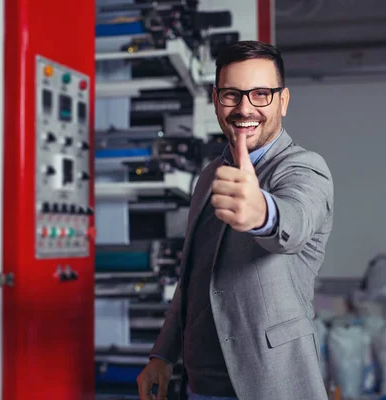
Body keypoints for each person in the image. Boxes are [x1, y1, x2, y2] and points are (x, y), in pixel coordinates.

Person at [137, 40, 334, 400]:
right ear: (216, 100)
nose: (245, 108)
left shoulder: (304, 168)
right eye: (232, 94)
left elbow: (295, 221)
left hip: (270, 385)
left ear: (283, 101)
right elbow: (193, 278)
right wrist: (163, 354)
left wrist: (261, 212)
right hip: (200, 387)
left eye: (261, 94)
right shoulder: (211, 176)